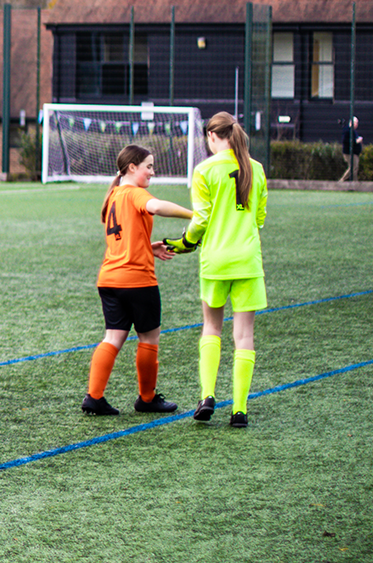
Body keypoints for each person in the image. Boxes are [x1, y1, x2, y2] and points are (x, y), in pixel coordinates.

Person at [163, 111, 268, 428]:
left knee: (212, 328)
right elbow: (259, 218)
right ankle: (239, 410)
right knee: (244, 335)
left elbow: (202, 219)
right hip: (248, 260)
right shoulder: (256, 169)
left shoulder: (205, 170)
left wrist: (186, 241)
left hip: (215, 260)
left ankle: (207, 395)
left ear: (211, 136)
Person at [80, 144, 195, 417]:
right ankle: (147, 398)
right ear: (132, 167)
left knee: (112, 337)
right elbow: (157, 206)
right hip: (138, 280)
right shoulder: (135, 193)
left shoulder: (113, 195)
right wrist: (195, 215)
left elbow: (125, 236)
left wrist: (148, 246)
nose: (152, 172)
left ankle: (94, 397)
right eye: (149, 166)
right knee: (149, 338)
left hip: (109, 278)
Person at [339, 117, 363, 182]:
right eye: (356, 123)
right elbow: (346, 141)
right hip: (349, 153)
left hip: (354, 153)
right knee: (353, 167)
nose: (357, 125)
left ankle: (355, 183)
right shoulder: (347, 131)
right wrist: (356, 141)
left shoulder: (353, 131)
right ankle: (342, 180)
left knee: (355, 168)